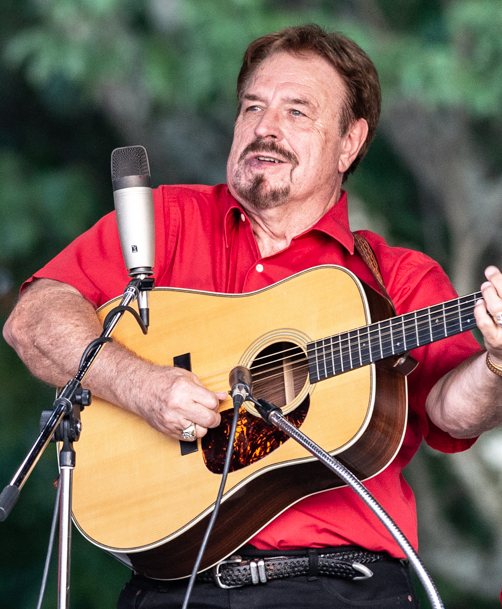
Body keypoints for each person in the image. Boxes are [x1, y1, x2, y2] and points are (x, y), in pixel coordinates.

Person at [4, 24, 502, 609]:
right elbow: (33, 319)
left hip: (342, 588)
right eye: (253, 107)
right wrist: (138, 384)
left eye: (297, 111)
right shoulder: (162, 221)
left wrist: (494, 362)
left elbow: (452, 411)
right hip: (175, 588)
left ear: (350, 142)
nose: (265, 127)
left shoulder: (397, 277)